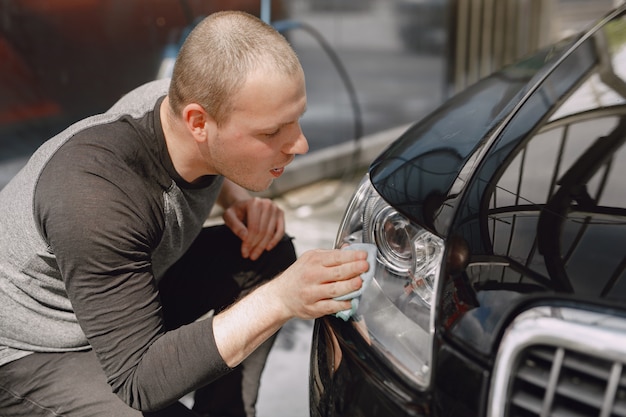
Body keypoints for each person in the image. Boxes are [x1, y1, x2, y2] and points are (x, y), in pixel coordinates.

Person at [0, 10, 368, 417]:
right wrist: (282, 299)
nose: (300, 145)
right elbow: (139, 382)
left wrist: (238, 202)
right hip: (30, 352)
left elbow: (199, 158)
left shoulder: (172, 102)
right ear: (198, 122)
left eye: (296, 120)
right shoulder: (93, 197)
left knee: (268, 255)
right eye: (270, 132)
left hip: (117, 298)